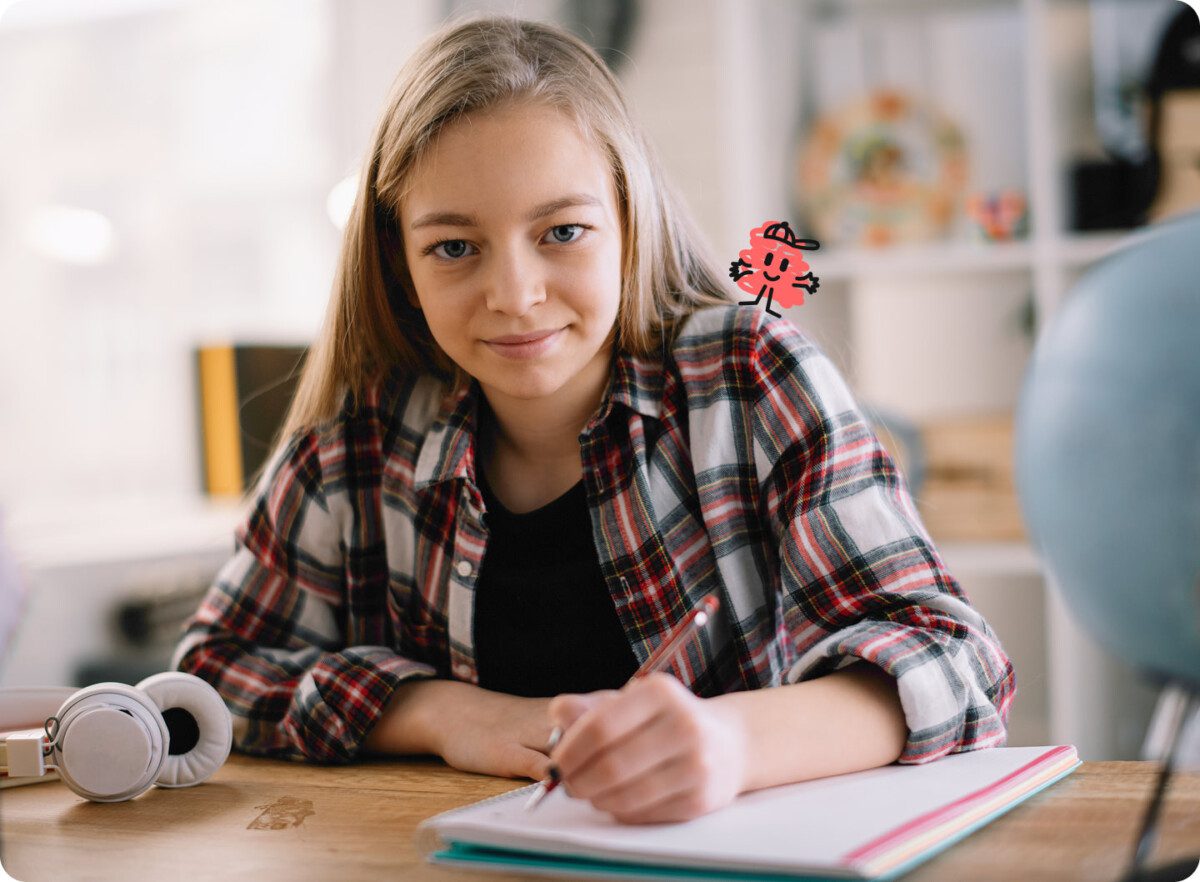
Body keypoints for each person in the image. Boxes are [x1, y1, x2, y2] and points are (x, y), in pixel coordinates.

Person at [172, 13, 1015, 826]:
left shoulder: (748, 375)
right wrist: (445, 714)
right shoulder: (353, 447)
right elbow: (208, 680)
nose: (515, 295)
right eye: (454, 248)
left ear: (628, 219)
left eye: (563, 231)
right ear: (400, 261)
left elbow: (956, 663)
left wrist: (731, 742)